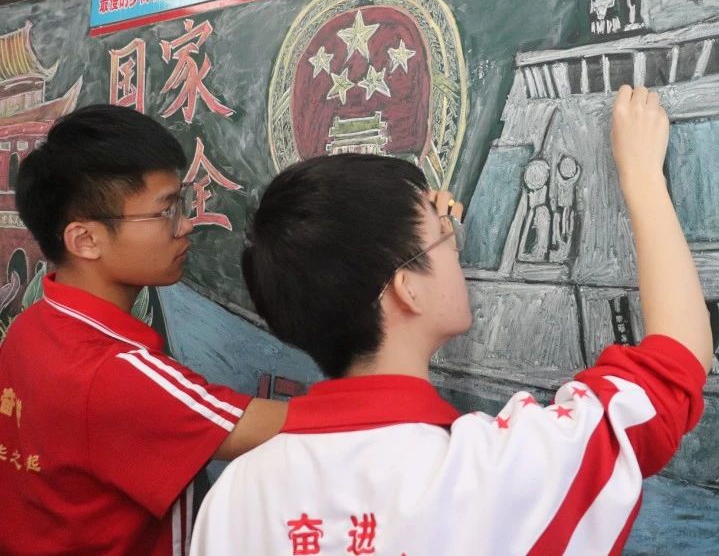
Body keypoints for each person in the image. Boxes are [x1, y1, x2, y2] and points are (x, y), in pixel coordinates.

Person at [190, 86, 713, 556]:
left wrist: (418, 226)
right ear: (407, 289)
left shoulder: (235, 498)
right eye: (446, 238)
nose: (457, 249)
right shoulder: (497, 472)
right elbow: (676, 367)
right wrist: (643, 176)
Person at [0, 105, 287, 556]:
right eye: (166, 211)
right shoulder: (112, 373)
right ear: (85, 240)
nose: (186, 225)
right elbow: (289, 426)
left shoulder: (32, 326)